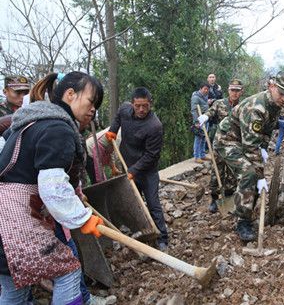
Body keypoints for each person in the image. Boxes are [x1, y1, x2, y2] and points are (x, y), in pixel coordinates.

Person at [0, 71, 105, 304]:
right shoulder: (58, 129)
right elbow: (52, 186)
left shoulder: (32, 122)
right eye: (91, 102)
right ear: (70, 94)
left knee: (14, 287)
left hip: (5, 226)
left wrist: (77, 196)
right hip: (13, 222)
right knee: (67, 271)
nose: (93, 111)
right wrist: (82, 218)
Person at [213, 71, 284, 241]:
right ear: (272, 87)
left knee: (256, 175)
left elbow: (266, 132)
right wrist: (259, 174)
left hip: (245, 140)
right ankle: (242, 221)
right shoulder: (256, 107)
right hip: (227, 140)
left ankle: (244, 208)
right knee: (250, 174)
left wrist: (265, 148)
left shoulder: (274, 105)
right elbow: (250, 147)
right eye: (281, 93)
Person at [106, 87, 169, 251]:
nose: (141, 109)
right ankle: (142, 232)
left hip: (147, 171)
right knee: (135, 203)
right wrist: (113, 130)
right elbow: (118, 116)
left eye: (145, 106)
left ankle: (162, 238)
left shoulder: (155, 126)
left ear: (150, 104)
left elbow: (151, 155)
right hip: (127, 162)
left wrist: (134, 170)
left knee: (153, 204)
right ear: (132, 104)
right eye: (138, 106)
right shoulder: (125, 110)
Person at [197, 79, 244, 213]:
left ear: (241, 92)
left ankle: (228, 198)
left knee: (231, 173)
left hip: (235, 145)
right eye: (232, 90)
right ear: (228, 90)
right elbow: (210, 112)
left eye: (237, 90)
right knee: (216, 170)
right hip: (220, 143)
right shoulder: (219, 103)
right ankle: (214, 198)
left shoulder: (244, 106)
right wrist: (204, 117)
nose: (234, 93)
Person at [191, 83, 211, 163]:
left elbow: (204, 106)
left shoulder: (205, 96)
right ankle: (197, 156)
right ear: (200, 88)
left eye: (207, 89)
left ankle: (202, 155)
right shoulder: (196, 97)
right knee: (198, 138)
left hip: (205, 120)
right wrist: (196, 122)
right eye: (204, 89)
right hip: (199, 121)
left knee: (204, 138)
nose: (206, 90)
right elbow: (193, 110)